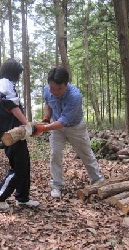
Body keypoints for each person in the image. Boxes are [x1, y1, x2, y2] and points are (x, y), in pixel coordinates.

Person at [33, 66, 104, 198]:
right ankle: (57, 185)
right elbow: (47, 103)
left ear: (66, 84)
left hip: (75, 127)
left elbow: (63, 121)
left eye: (58, 88)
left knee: (86, 153)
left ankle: (97, 180)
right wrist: (46, 118)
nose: (54, 91)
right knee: (55, 154)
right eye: (52, 88)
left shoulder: (75, 96)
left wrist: (43, 128)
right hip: (55, 126)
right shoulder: (47, 90)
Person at [0, 58, 39, 211]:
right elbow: (11, 106)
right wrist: (27, 124)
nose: (19, 77)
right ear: (13, 73)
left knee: (25, 165)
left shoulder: (6, 84)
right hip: (10, 134)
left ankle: (22, 197)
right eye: (18, 74)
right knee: (19, 167)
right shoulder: (4, 83)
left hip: (16, 133)